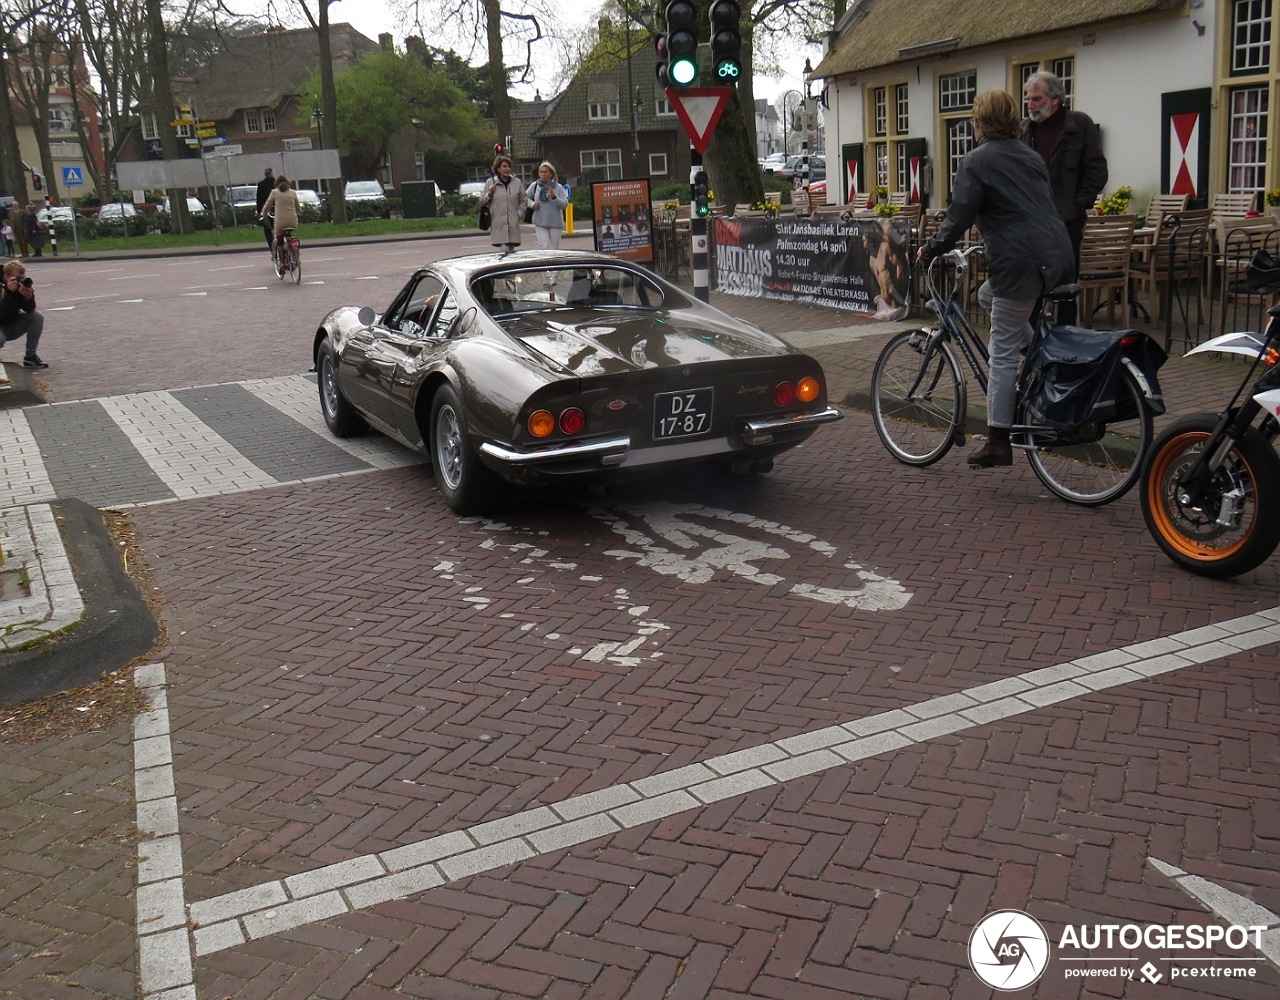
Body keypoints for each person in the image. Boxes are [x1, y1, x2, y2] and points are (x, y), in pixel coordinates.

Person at [917, 89, 1074, 470]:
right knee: (988, 296)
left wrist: (931, 249)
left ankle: (998, 441)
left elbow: (959, 216)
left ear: (979, 122)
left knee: (1000, 355)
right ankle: (1038, 355)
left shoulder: (977, 159)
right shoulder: (1031, 156)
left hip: (1018, 261)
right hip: (1055, 254)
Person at [1020, 70, 1108, 325]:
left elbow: (1096, 171)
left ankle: (1067, 347)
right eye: (1028, 100)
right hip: (1031, 224)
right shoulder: (1025, 131)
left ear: (1055, 99)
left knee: (1066, 290)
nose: (1030, 105)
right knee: (1032, 290)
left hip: (1066, 224)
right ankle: (1035, 351)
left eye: (1036, 99)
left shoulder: (1079, 126)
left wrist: (1076, 206)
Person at [0, 259, 47, 376]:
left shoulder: (20, 286)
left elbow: (29, 310)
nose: (21, 279)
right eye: (17, 277)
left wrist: (28, 297)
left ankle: (30, 357)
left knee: (36, 317)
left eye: (22, 275)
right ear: (6, 277)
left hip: (10, 326)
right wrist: (8, 293)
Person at [480, 154, 524, 252]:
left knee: (511, 251)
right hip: (498, 224)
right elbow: (482, 202)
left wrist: (519, 214)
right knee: (505, 251)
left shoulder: (517, 183)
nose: (507, 169)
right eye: (504, 166)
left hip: (513, 223)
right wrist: (490, 193)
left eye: (509, 166)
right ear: (498, 169)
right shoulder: (490, 182)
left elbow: (523, 200)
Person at [525, 162, 569, 250]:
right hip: (540, 222)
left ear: (551, 174)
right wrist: (532, 204)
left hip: (555, 223)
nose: (543, 174)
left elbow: (564, 204)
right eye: (541, 172)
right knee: (545, 247)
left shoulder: (558, 187)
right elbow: (524, 198)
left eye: (546, 172)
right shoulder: (535, 186)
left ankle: (554, 263)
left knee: (554, 249)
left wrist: (554, 197)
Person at [259, 176, 300, 261]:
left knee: (279, 241)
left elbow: (267, 205)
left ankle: (282, 262)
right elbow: (298, 208)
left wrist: (263, 214)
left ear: (276, 184)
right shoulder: (292, 193)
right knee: (288, 233)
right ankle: (294, 253)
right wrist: (297, 212)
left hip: (280, 222)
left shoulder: (274, 192)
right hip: (293, 221)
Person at [255, 167, 276, 251]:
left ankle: (272, 249)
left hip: (267, 211)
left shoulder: (261, 184)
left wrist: (259, 211)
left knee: (267, 229)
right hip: (278, 209)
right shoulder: (277, 183)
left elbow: (259, 199)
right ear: (272, 174)